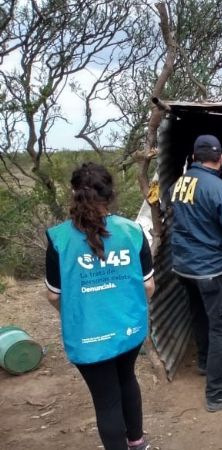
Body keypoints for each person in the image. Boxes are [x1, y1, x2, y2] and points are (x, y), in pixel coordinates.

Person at [45, 163, 154, 450]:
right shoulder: (132, 231)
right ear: (111, 194)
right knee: (127, 379)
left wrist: (75, 314)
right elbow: (148, 286)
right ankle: (137, 442)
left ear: (73, 193)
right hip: (128, 328)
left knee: (106, 399)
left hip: (88, 336)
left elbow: (54, 296)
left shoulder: (59, 238)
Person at [169, 134, 222, 412]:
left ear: (194, 156)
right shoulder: (220, 189)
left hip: (184, 267)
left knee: (201, 315)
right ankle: (217, 393)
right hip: (211, 269)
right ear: (221, 158)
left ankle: (205, 362)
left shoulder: (180, 183)